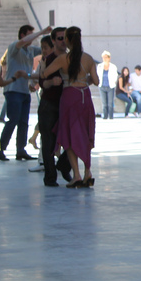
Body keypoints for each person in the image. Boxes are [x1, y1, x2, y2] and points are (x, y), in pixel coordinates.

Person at [39, 27, 98, 187]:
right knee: (86, 135)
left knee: (69, 136)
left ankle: (76, 175)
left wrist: (44, 64)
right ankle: (88, 173)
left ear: (67, 40)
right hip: (85, 97)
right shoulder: (88, 58)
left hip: (69, 96)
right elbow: (96, 81)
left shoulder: (63, 59)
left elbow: (44, 75)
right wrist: (84, 81)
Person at [0, 23, 51, 161]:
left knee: (23, 122)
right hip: (13, 90)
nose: (32, 38)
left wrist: (32, 83)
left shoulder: (31, 50)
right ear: (22, 35)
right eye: (29, 34)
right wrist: (41, 32)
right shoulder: (14, 47)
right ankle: (1, 149)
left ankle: (20, 150)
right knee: (13, 120)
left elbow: (45, 51)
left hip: (24, 91)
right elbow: (23, 42)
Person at [36, 28, 69, 187]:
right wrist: (51, 83)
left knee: (74, 138)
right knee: (48, 141)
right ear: (54, 40)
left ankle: (64, 165)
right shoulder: (48, 59)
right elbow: (42, 82)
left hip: (68, 104)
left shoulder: (73, 58)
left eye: (66, 37)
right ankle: (50, 176)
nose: (64, 40)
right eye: (60, 38)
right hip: (50, 104)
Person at [96, 51, 118, 119]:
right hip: (102, 86)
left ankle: (111, 116)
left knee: (110, 103)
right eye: (103, 57)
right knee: (104, 103)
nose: (105, 59)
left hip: (110, 86)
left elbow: (115, 75)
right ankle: (105, 116)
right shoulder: (99, 66)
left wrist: (114, 81)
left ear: (109, 58)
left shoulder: (113, 66)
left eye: (106, 57)